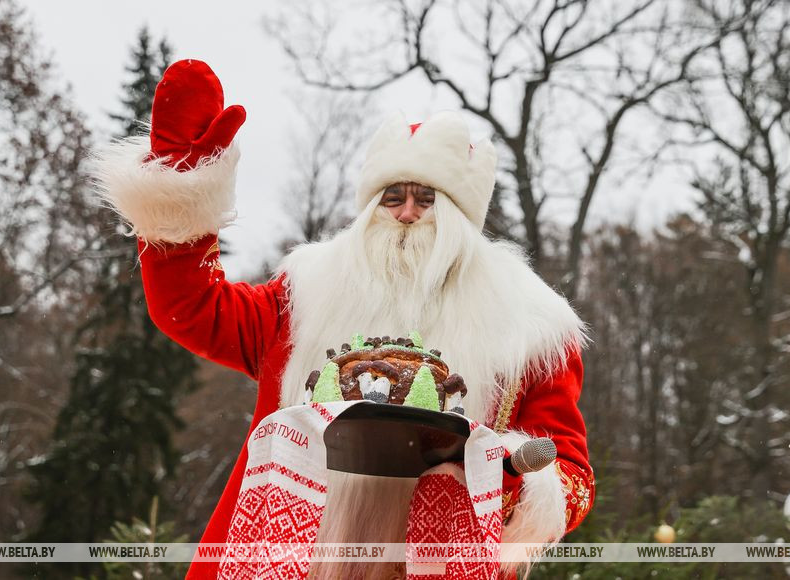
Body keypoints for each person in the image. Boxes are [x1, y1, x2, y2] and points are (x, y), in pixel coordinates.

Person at [94, 59, 594, 579]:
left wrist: (505, 477)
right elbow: (195, 310)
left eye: (427, 199)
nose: (406, 213)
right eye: (392, 198)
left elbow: (573, 479)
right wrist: (180, 191)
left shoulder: (529, 325)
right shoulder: (305, 293)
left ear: (460, 215)